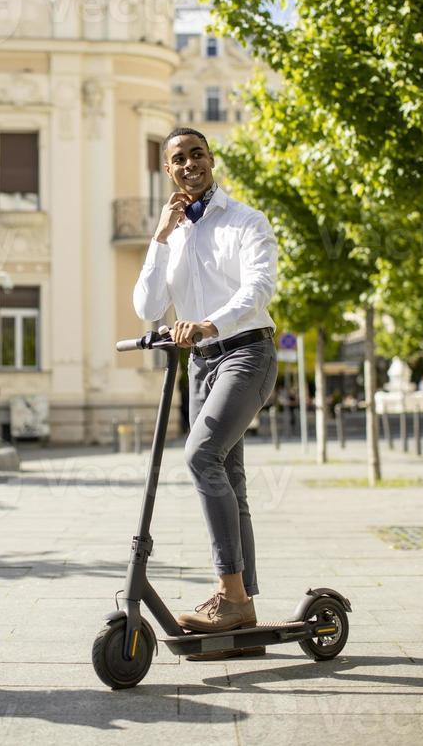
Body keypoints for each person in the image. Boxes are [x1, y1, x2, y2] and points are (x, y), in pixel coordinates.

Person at [133, 127, 277, 654]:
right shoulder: (174, 236)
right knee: (229, 478)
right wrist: (160, 236)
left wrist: (209, 323)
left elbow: (258, 287)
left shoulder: (245, 221)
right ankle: (244, 604)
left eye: (197, 153)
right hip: (200, 365)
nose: (189, 163)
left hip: (246, 351)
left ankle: (230, 594)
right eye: (178, 158)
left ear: (211, 159)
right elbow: (147, 307)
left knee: (201, 457)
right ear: (167, 170)